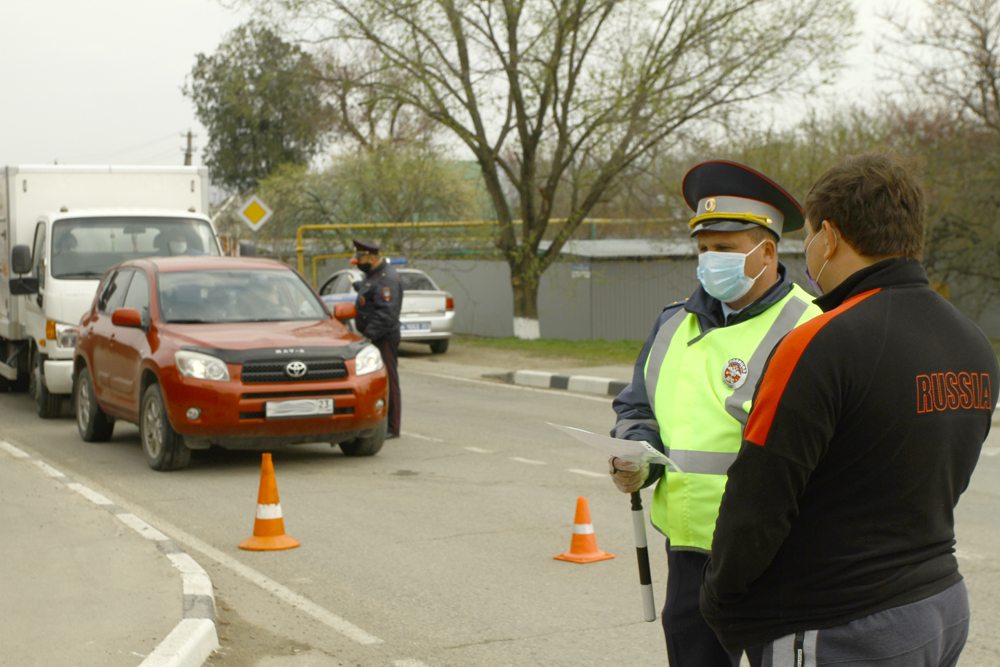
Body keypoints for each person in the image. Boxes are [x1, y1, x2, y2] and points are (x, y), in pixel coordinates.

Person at [700, 152, 1000, 667]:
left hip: (839, 623)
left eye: (811, 235)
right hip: (940, 605)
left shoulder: (817, 342)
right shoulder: (973, 345)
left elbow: (759, 499)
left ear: (830, 237)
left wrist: (718, 599)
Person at [609, 161, 823, 667]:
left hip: (776, 556)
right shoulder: (672, 322)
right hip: (688, 551)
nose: (709, 261)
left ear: (766, 251)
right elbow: (638, 405)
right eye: (703, 249)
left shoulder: (811, 325)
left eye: (724, 249)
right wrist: (635, 452)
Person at [352, 239, 403, 439]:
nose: (358, 261)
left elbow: (386, 314)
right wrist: (357, 285)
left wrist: (368, 337)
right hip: (376, 337)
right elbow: (370, 291)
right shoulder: (373, 275)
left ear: (371, 257)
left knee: (390, 380)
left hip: (384, 338)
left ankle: (392, 427)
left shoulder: (386, 278)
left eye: (360, 257)